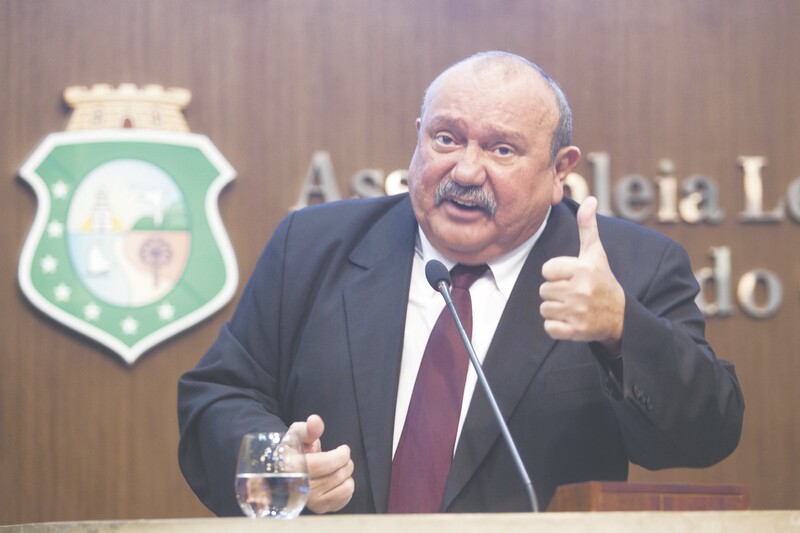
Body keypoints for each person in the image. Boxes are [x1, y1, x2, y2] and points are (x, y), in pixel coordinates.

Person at [177, 51, 744, 515]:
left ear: (560, 170)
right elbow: (218, 397)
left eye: (502, 150)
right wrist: (280, 469)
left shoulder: (631, 268)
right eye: (447, 139)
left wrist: (623, 329)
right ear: (418, 139)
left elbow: (707, 435)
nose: (467, 171)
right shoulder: (312, 246)